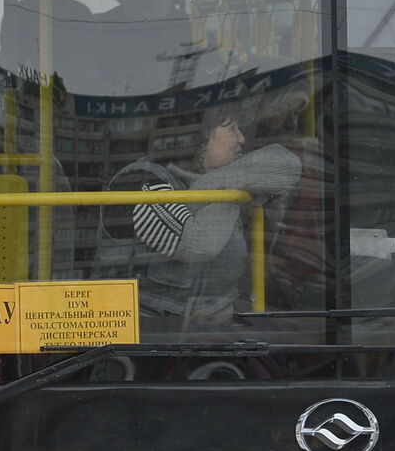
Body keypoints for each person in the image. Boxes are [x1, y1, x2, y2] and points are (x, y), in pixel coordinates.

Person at [103, 104, 303, 330]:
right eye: (232, 128)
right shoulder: (142, 178)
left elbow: (288, 163)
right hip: (154, 335)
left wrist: (219, 183)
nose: (241, 139)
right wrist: (227, 190)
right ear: (199, 135)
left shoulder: (225, 180)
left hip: (215, 329)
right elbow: (196, 245)